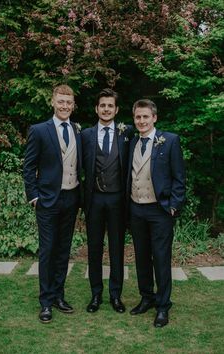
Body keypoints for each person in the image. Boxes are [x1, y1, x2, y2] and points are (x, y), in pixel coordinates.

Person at [23, 84, 82, 323]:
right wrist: (34, 196)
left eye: (69, 102)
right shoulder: (39, 130)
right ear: (53, 102)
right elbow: (29, 167)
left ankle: (59, 295)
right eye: (61, 102)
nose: (65, 106)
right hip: (47, 200)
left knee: (63, 250)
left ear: (73, 105)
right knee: (48, 251)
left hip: (71, 197)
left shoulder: (78, 130)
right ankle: (46, 302)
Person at [127, 99, 185, 327]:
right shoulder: (131, 142)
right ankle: (146, 298)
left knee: (161, 259)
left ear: (154, 118)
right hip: (136, 208)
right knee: (141, 257)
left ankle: (163, 306)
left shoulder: (169, 141)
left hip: (159, 210)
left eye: (145, 117)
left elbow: (179, 178)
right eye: (138, 117)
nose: (141, 121)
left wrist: (173, 205)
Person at [81, 88, 134, 314]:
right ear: (96, 108)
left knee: (116, 249)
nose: (106, 109)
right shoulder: (85, 135)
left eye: (110, 105)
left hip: (117, 201)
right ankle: (95, 295)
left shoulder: (127, 132)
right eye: (102, 105)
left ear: (116, 109)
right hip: (94, 201)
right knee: (94, 249)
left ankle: (115, 295)